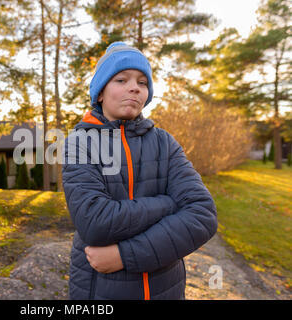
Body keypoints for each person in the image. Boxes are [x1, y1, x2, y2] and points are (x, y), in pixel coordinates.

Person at [62, 41, 218, 300]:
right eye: (121, 80)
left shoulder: (164, 143)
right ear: (100, 93)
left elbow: (202, 216)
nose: (134, 87)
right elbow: (94, 223)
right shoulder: (80, 143)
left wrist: (124, 255)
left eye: (142, 82)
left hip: (167, 290)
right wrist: (169, 204)